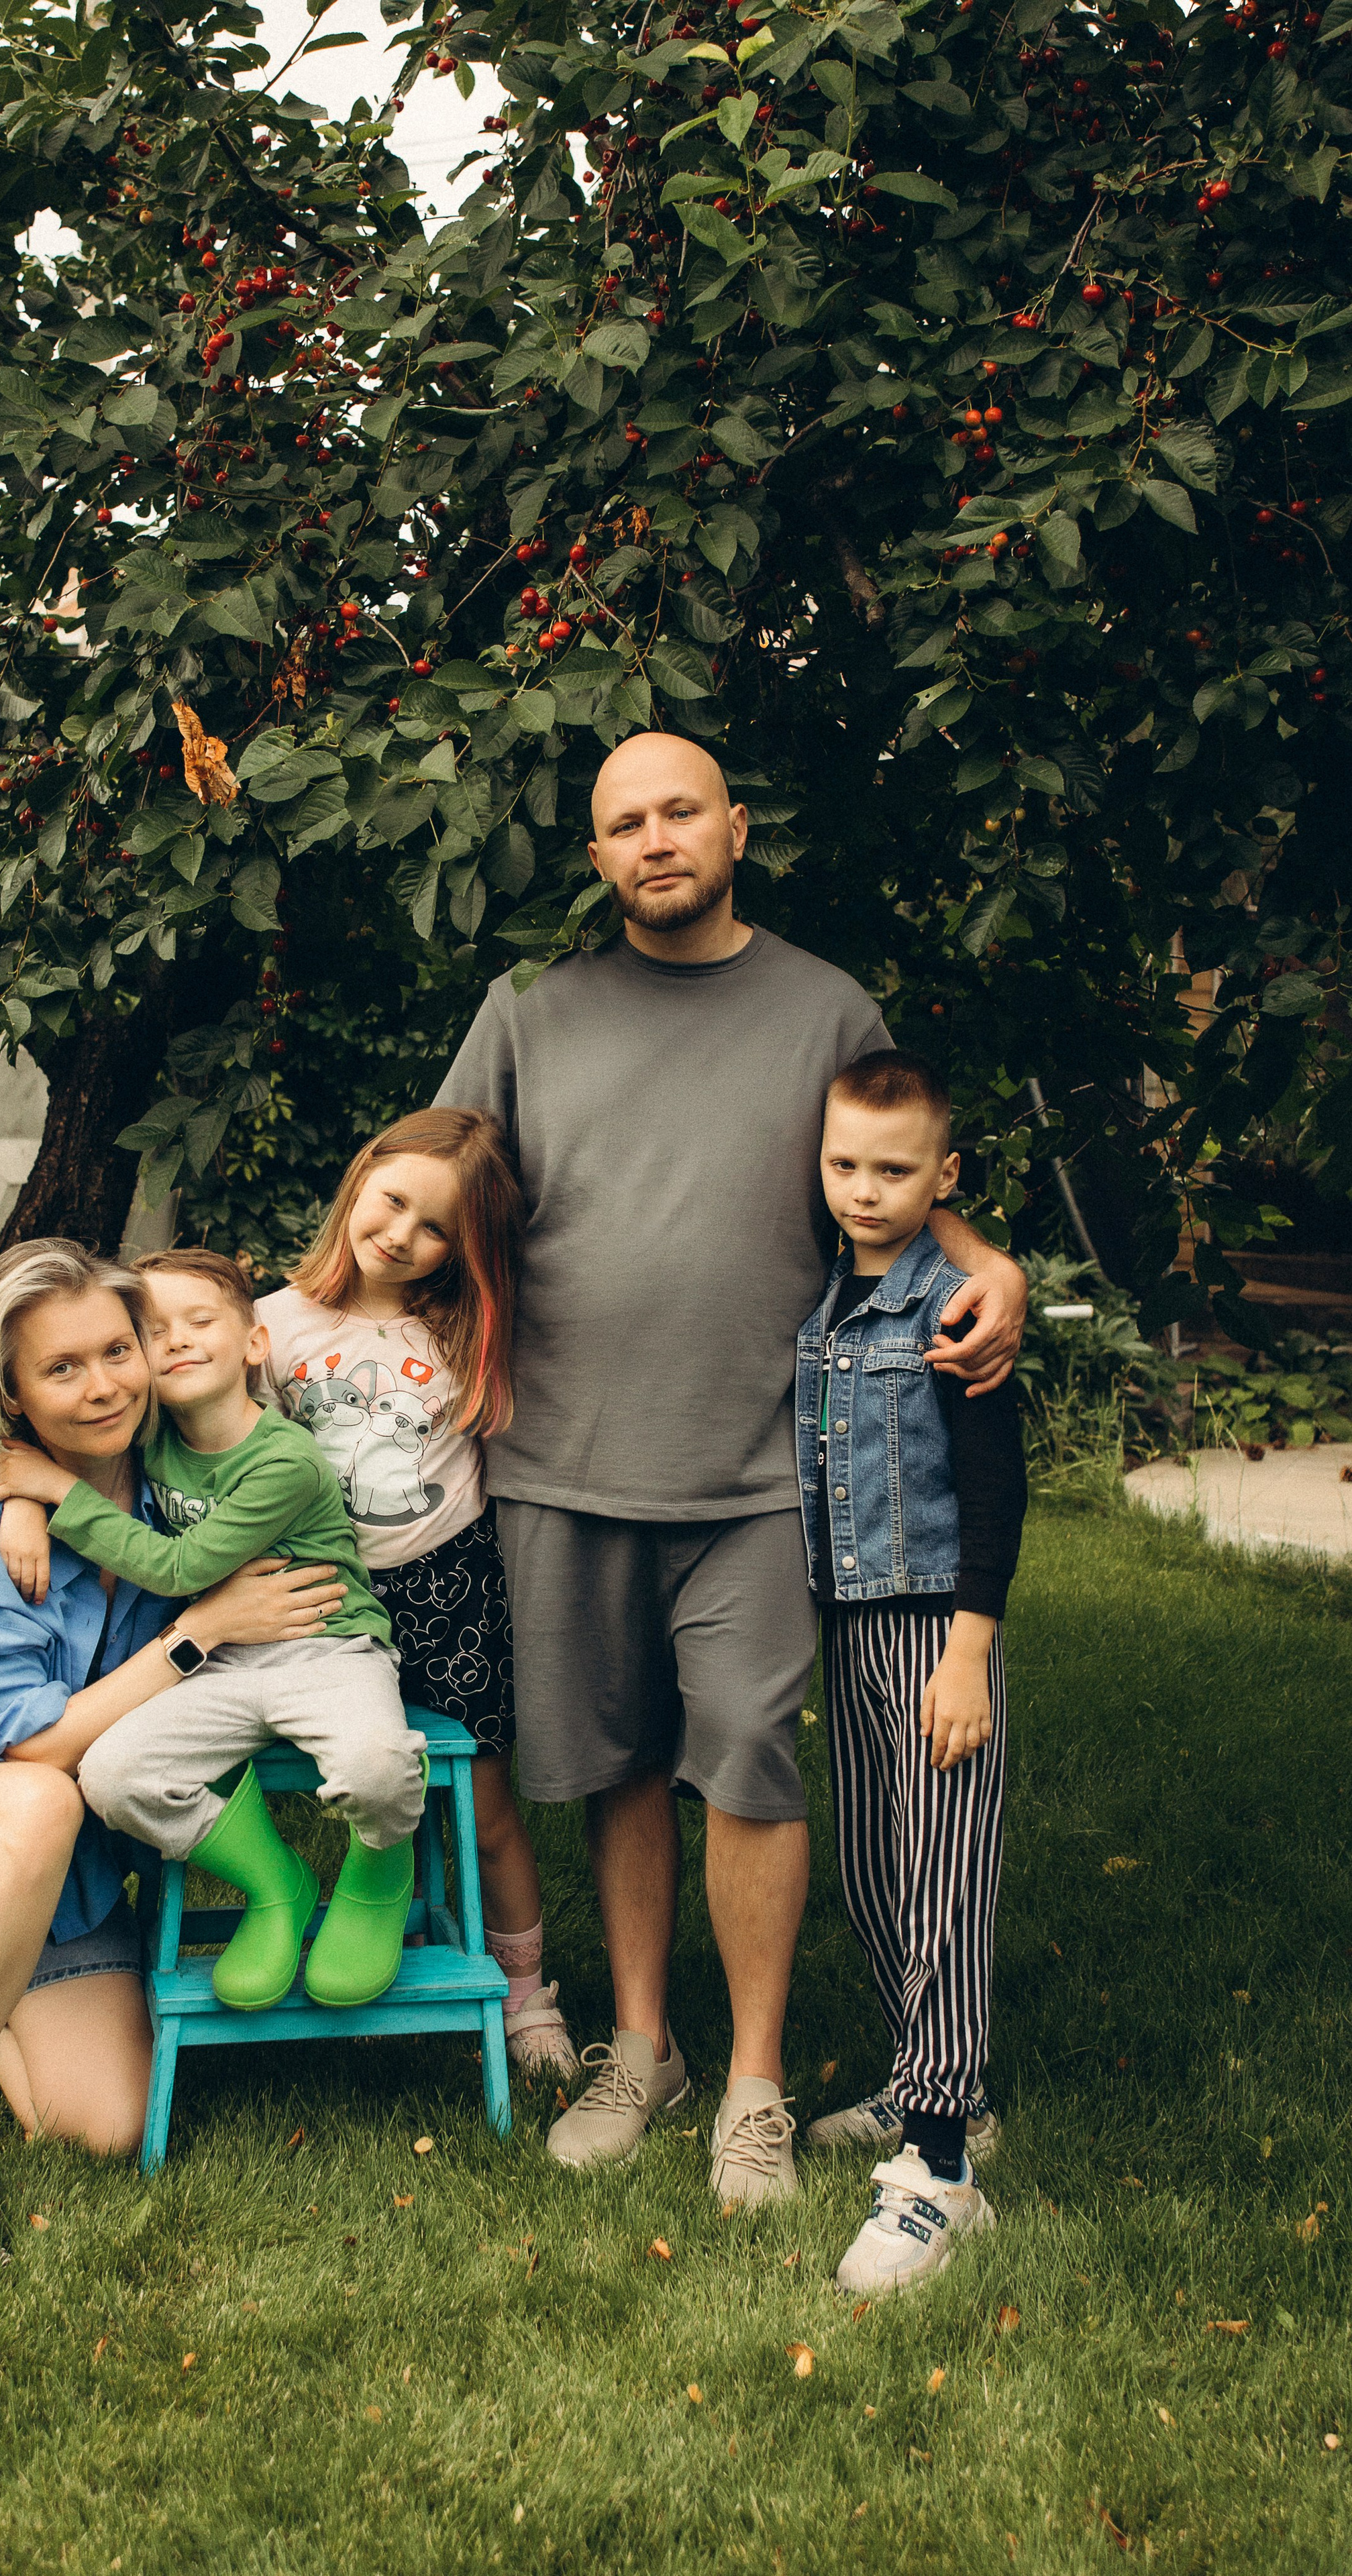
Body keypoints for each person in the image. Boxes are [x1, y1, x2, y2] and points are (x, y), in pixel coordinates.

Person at [435, 729, 1028, 2206]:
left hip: (769, 1471)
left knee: (749, 1762)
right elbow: (422, 1200)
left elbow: (892, 1177)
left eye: (679, 810)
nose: (653, 838)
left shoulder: (822, 1008)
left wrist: (985, 1261)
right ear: (595, 857)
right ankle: (646, 2049)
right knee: (615, 1765)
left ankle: (752, 2081)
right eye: (623, 822)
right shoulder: (528, 1012)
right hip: (562, 1463)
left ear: (734, 826)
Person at [0, 1240, 347, 2278]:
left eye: (118, 1349)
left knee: (101, 2125)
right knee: (34, 1803)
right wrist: (195, 1633)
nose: (104, 1384)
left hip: (73, 1871)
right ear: (12, 1397)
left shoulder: (182, 1507)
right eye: (63, 1368)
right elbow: (35, 1749)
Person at [0, 1252, 427, 2015]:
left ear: (254, 1344)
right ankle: (273, 1883)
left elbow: (179, 1565)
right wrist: (23, 1504)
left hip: (326, 1647)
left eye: (200, 1322)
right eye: (152, 1332)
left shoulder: (284, 1461)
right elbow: (26, 1447)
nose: (177, 1342)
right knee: (113, 1777)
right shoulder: (150, 1433)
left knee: (374, 1768)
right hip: (219, 1661)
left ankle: (381, 1870)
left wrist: (55, 1495)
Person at [256, 1106, 580, 2082]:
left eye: (432, 1227)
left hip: (446, 1585)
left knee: (480, 1802)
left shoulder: (467, 1330)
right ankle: (337, 1926)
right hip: (317, 1588)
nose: (400, 1234)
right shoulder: (267, 1327)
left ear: (460, 1249)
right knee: (347, 1784)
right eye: (392, 1201)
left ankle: (526, 1995)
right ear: (360, 1181)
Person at [794, 1053, 1026, 2294]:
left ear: (944, 1178)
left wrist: (972, 1652)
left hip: (939, 1630)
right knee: (875, 1873)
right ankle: (934, 2088)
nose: (865, 1191)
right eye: (844, 1165)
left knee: (941, 1879)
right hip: (850, 1626)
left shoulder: (955, 1307)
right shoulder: (826, 1298)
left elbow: (994, 1487)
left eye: (894, 1171)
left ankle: (939, 2173)